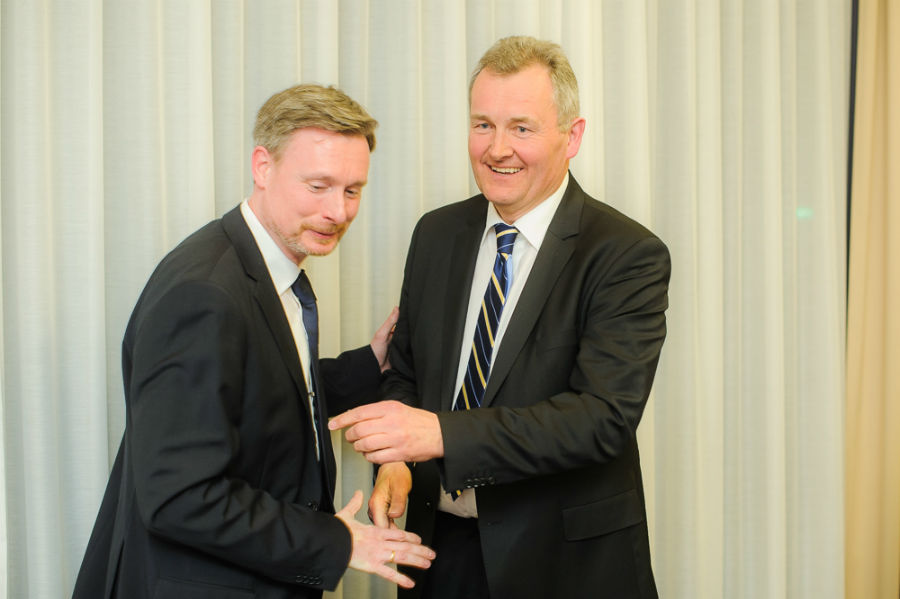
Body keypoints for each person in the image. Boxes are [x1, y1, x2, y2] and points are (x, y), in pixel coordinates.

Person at [329, 36, 670, 598]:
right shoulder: (436, 234)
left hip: (564, 567)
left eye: (522, 128)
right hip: (438, 555)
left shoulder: (626, 253)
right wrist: (401, 465)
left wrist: (437, 434)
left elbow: (602, 418)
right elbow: (407, 373)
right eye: (482, 125)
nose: (497, 148)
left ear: (572, 136)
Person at [72, 83, 434, 599]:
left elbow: (254, 396)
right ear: (262, 167)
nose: (339, 211)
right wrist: (336, 542)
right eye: (318, 186)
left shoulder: (264, 268)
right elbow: (180, 496)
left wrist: (367, 366)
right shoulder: (204, 295)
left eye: (353, 190)